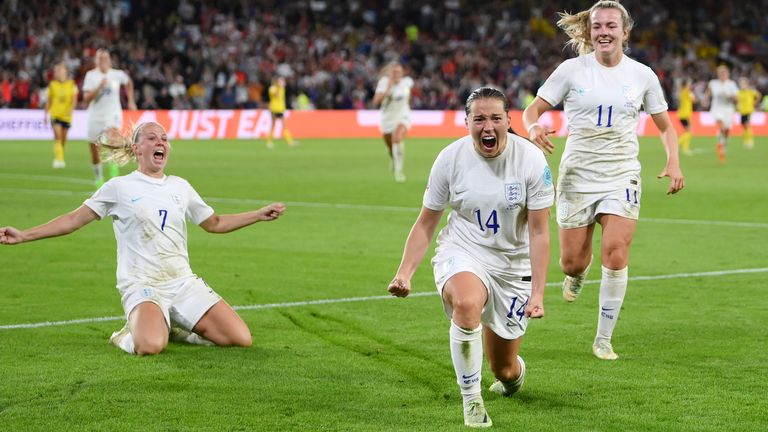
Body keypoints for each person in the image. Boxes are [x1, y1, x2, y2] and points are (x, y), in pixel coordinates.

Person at [0, 122, 287, 356]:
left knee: (240, 339)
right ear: (137, 148)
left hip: (182, 282)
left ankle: (178, 329)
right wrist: (25, 235)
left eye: (164, 138)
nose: (160, 142)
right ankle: (126, 334)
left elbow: (214, 223)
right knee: (150, 346)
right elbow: (74, 219)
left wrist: (258, 215)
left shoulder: (180, 187)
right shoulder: (119, 187)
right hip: (143, 284)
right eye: (152, 138)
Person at [522, 1, 685, 361]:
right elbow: (532, 110)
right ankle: (577, 274)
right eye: (598, 26)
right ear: (590, 31)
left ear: (625, 32)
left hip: (621, 174)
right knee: (571, 262)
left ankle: (603, 339)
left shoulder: (642, 76)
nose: (604, 32)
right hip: (577, 175)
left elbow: (665, 126)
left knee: (616, 253)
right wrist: (533, 126)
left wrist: (673, 161)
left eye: (611, 26)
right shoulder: (571, 70)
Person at [388, 87, 553, 428]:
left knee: (503, 369)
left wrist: (537, 293)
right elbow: (425, 224)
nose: (487, 126)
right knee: (465, 304)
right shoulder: (450, 158)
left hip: (512, 265)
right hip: (463, 250)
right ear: (466, 122)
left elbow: (539, 232)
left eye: (495, 118)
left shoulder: (532, 161)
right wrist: (404, 273)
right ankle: (471, 402)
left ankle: (511, 377)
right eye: (479, 119)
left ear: (509, 120)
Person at [82, 48, 137, 186]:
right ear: (96, 61)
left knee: (113, 137)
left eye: (105, 58)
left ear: (110, 60)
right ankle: (98, 178)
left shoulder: (117, 74)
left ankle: (114, 171)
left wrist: (131, 100)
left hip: (112, 113)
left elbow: (129, 82)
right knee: (94, 150)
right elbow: (86, 99)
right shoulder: (91, 76)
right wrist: (99, 87)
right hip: (95, 115)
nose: (103, 61)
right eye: (100, 58)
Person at [373, 62, 413, 182]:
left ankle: (399, 172)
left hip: (402, 116)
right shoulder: (384, 83)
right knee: (391, 145)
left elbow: (408, 96)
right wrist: (388, 87)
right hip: (387, 118)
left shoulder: (407, 82)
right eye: (394, 72)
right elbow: (376, 102)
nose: (397, 74)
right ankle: (393, 158)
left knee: (397, 137)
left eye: (399, 72)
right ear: (390, 73)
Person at [43, 62, 78, 169]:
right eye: (56, 71)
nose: (57, 73)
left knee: (63, 139)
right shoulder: (52, 85)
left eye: (60, 70)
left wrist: (71, 110)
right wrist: (45, 114)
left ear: (65, 72)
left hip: (67, 116)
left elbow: (74, 100)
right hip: (55, 114)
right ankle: (59, 160)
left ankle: (59, 156)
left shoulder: (72, 84)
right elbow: (48, 101)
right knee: (57, 136)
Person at [705, 65, 738, 162]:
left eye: (724, 73)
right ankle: (721, 140)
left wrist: (729, 96)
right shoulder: (713, 83)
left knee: (727, 130)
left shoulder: (732, 84)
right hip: (717, 108)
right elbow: (709, 92)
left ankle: (723, 141)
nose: (723, 74)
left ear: (728, 74)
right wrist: (705, 100)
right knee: (721, 125)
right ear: (718, 74)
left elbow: (737, 98)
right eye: (721, 73)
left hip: (728, 109)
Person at [266, 76, 296, 149]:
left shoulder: (281, 88)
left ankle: (289, 141)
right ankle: (270, 141)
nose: (282, 82)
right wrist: (279, 87)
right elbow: (276, 95)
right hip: (274, 109)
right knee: (273, 125)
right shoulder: (272, 88)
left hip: (280, 109)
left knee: (284, 125)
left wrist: (281, 86)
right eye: (280, 81)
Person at [737, 77, 762, 149]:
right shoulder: (739, 92)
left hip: (748, 110)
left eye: (743, 84)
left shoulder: (750, 91)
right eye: (741, 84)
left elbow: (759, 95)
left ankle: (750, 141)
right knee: (744, 126)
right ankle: (745, 141)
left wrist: (755, 103)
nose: (742, 85)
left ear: (746, 84)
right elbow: (738, 101)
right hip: (742, 111)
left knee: (747, 125)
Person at [677, 78, 695, 155]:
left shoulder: (682, 92)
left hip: (683, 114)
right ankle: (677, 143)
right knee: (689, 132)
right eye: (689, 84)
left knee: (688, 132)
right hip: (684, 115)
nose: (690, 85)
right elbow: (694, 100)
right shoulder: (686, 92)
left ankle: (685, 148)